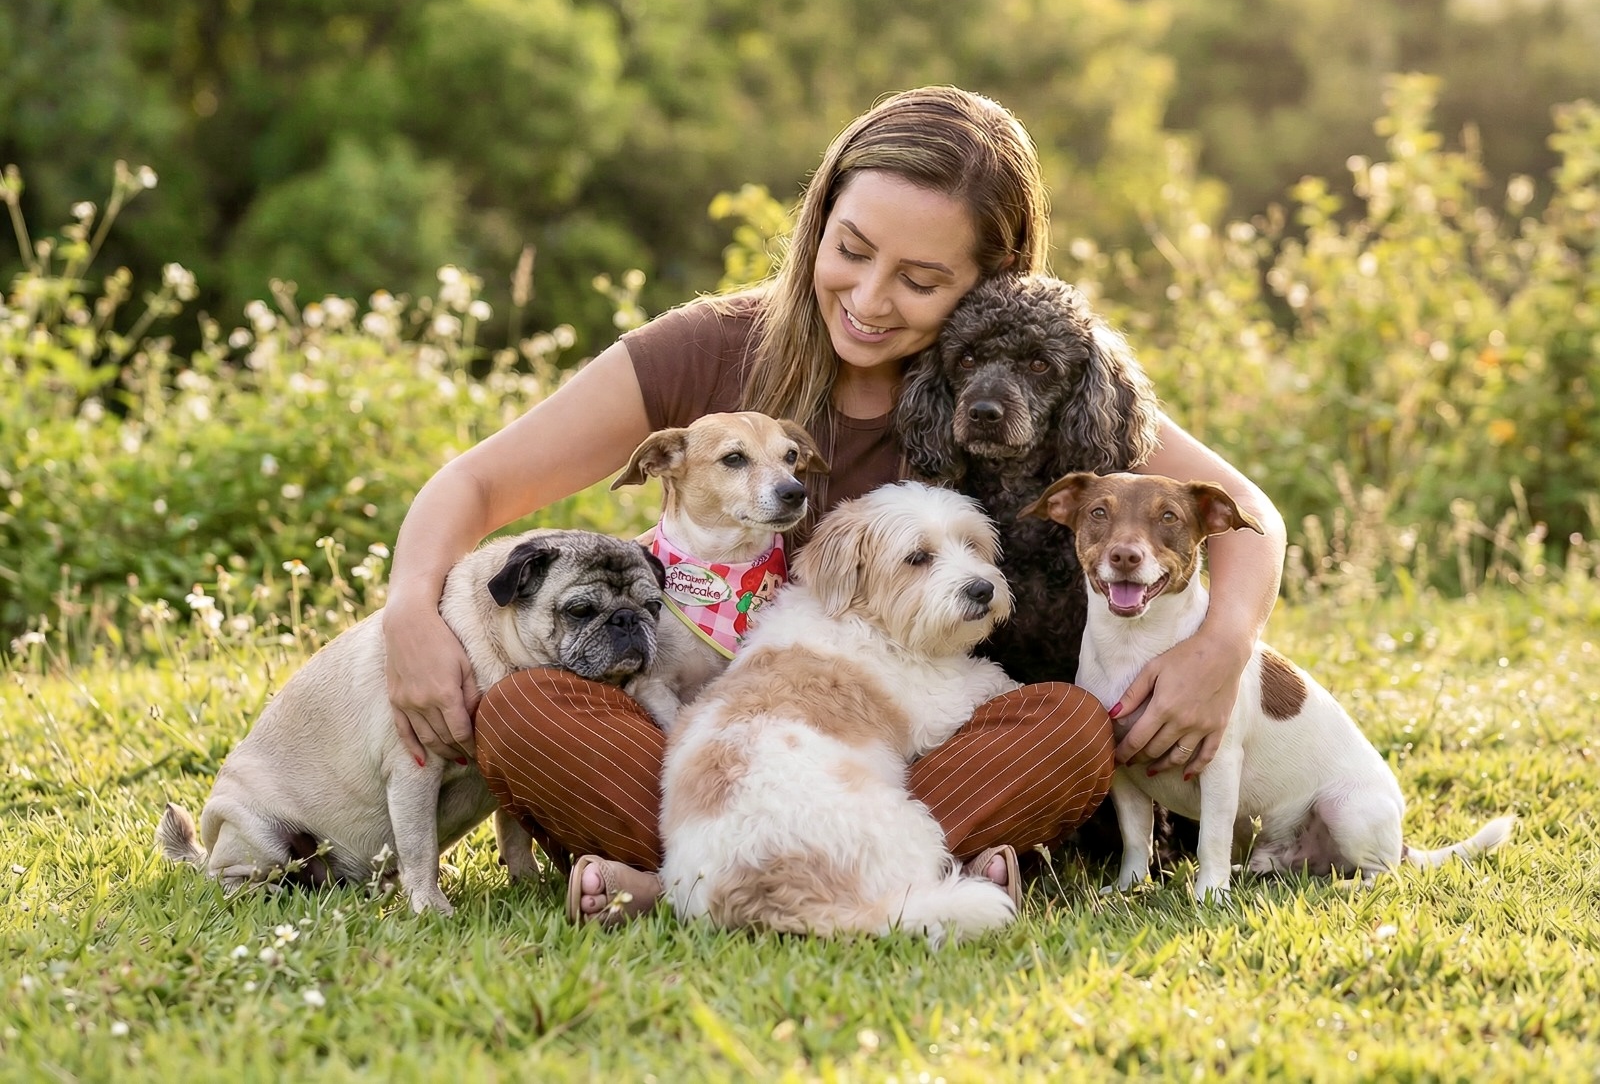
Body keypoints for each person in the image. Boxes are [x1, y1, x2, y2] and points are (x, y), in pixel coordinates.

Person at [381, 85, 1287, 923]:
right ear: (819, 218)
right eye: (850, 250)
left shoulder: (1021, 382)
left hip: (913, 747)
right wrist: (409, 613)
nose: (869, 299)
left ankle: (714, 883)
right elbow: (476, 484)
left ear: (991, 277)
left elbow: (1245, 512)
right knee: (527, 712)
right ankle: (783, 871)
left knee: (1068, 731)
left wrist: (1221, 647)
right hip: (702, 760)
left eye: (920, 280)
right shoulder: (708, 350)